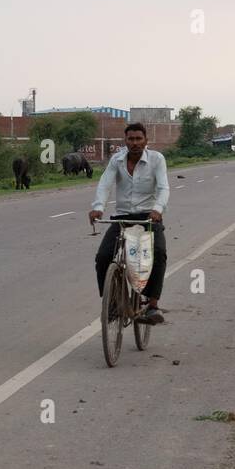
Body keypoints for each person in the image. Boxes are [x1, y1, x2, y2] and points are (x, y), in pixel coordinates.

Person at [88, 122, 169, 324]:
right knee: (103, 256)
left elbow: (163, 188)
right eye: (130, 139)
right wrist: (98, 206)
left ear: (145, 141)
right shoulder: (117, 160)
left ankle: (152, 305)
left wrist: (158, 209)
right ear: (125, 141)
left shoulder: (156, 159)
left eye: (138, 139)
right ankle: (112, 302)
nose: (134, 143)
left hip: (149, 217)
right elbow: (105, 183)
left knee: (158, 253)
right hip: (122, 218)